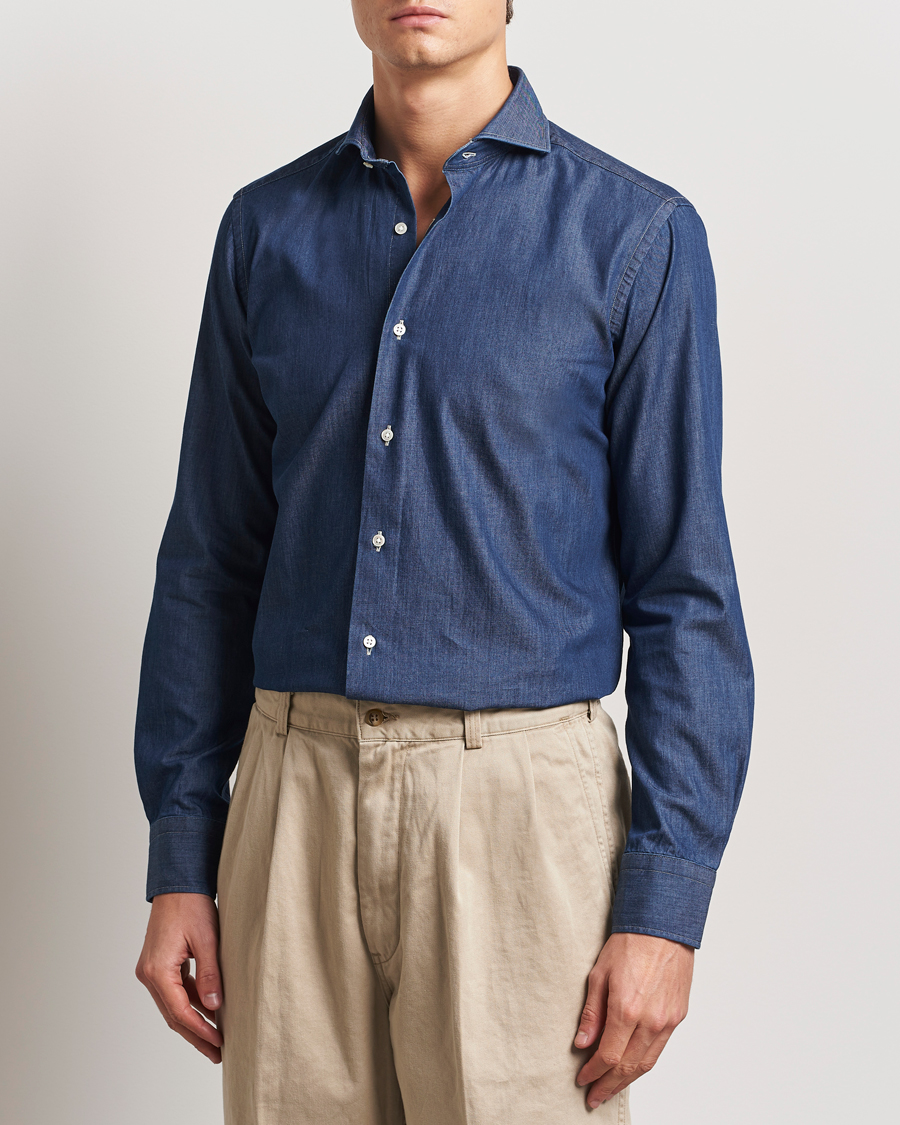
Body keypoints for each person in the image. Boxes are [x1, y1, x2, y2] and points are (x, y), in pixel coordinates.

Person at [133, 2, 754, 1121]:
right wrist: (182, 855)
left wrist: (665, 911)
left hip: (521, 813)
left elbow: (685, 591)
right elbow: (210, 559)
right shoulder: (266, 230)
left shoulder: (634, 234)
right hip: (292, 797)